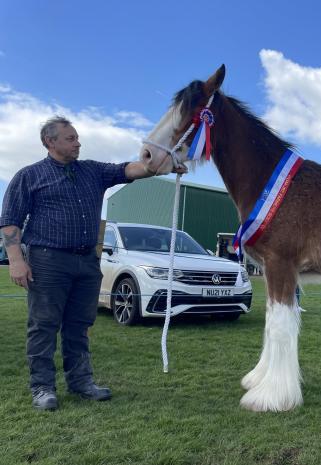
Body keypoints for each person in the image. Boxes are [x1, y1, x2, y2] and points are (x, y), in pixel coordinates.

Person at [0, 116, 187, 411]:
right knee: (44, 325)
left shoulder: (92, 170)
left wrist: (162, 166)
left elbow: (130, 169)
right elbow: (10, 222)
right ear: (50, 142)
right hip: (48, 260)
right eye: (70, 138)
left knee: (80, 325)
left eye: (77, 137)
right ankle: (42, 388)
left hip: (87, 261)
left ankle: (81, 382)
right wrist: (16, 261)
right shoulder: (29, 176)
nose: (78, 142)